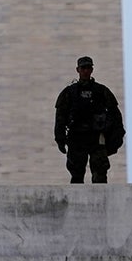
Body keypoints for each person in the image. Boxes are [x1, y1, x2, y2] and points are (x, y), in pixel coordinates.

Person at [53, 55, 123, 183]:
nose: (85, 71)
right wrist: (60, 139)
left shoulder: (101, 91)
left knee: (100, 175)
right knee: (76, 175)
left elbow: (115, 116)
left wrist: (116, 139)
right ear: (78, 70)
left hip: (96, 138)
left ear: (92, 70)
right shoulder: (69, 93)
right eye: (83, 68)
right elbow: (60, 118)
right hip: (76, 138)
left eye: (88, 68)